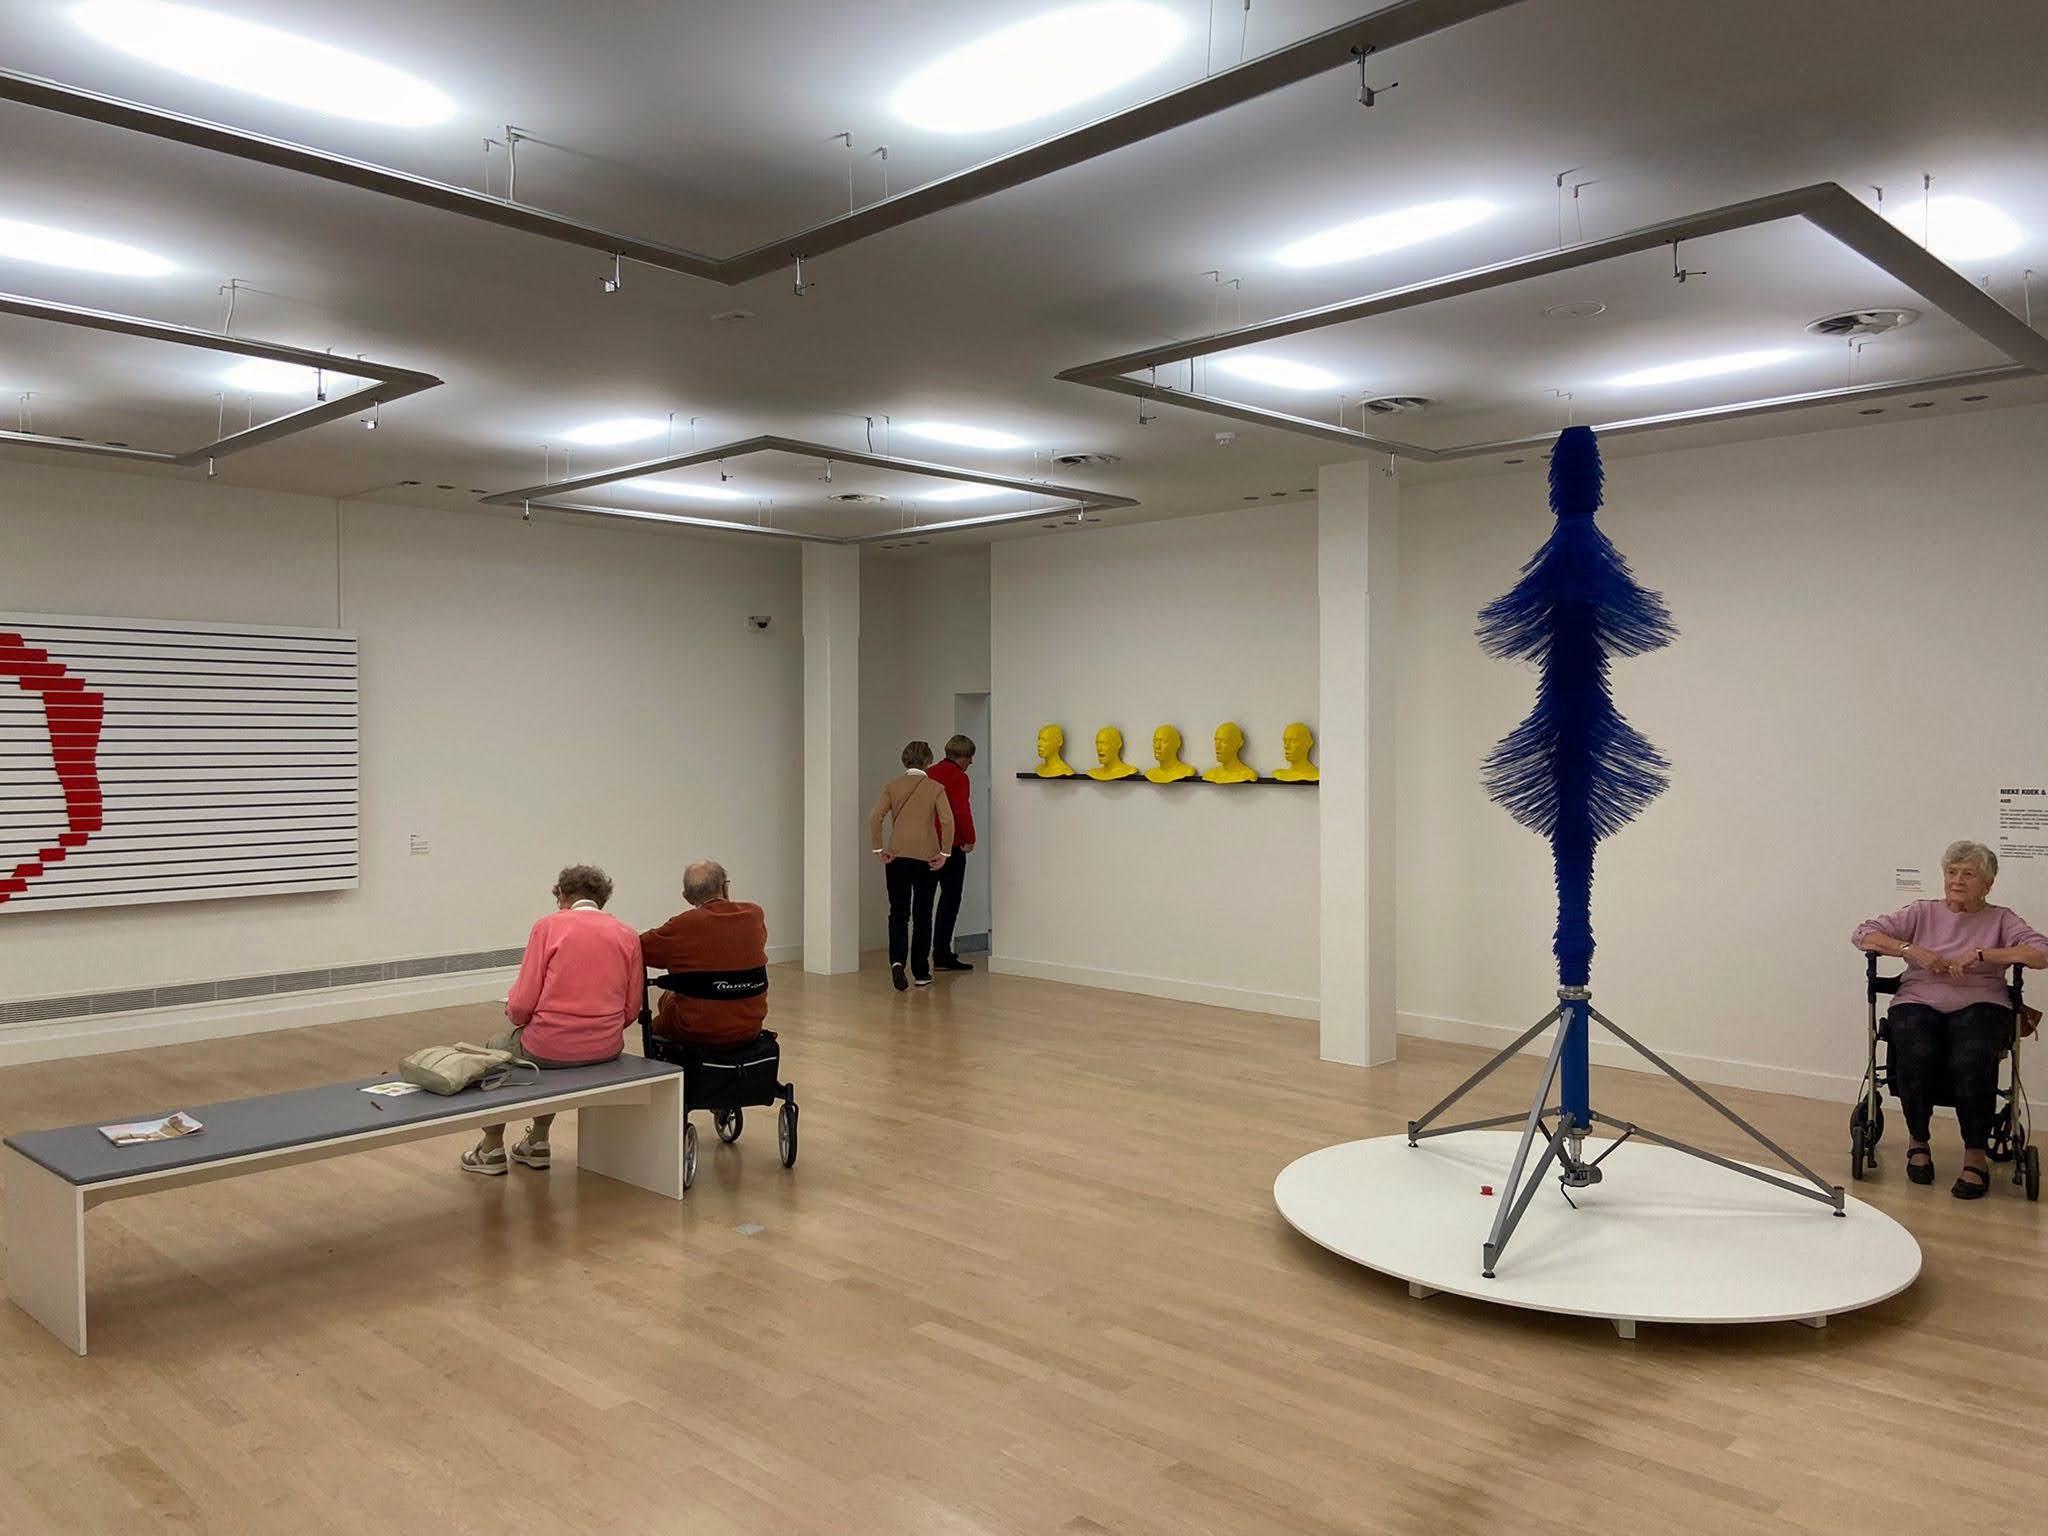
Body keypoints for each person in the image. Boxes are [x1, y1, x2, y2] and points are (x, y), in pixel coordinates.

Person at [1852, 840, 2047, 1199]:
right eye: (1952, 872)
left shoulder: (2001, 919)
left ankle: (1975, 1155)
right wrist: (1912, 950)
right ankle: (1918, 1142)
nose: (1957, 880)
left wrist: (1982, 954)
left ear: (1988, 884)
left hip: (1982, 1002)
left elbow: (2040, 953)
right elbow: (1864, 934)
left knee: (1971, 1058)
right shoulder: (1921, 912)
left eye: (1968, 874)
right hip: (1917, 998)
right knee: (1915, 1051)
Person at [463, 864, 643, 1176]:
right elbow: (631, 1009)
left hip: (548, 1046)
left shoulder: (548, 926)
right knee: (556, 1061)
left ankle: (491, 1148)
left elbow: (521, 1006)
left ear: (562, 895)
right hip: (606, 1047)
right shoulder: (627, 935)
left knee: (495, 1050)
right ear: (602, 898)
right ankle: (537, 1140)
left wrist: (517, 1014)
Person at [639, 860, 770, 1045]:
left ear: (687, 897)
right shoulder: (754, 915)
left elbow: (639, 949)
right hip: (750, 1027)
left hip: (697, 1030)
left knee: (666, 1001)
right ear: (725, 888)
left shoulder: (682, 925)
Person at [870, 739, 953, 990]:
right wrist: (945, 853)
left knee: (898, 912)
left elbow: (876, 815)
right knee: (922, 914)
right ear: (928, 761)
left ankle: (897, 962)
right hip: (927, 857)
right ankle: (920, 971)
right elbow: (947, 821)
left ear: (904, 760)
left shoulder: (892, 786)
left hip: (896, 856)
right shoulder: (936, 788)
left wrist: (878, 848)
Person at [927, 735, 978, 973]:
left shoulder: (929, 773)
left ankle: (921, 957)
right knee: (950, 899)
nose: (971, 763)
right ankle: (941, 953)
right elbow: (960, 811)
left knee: (925, 901)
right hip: (950, 846)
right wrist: (970, 838)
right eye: (970, 758)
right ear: (963, 757)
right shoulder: (959, 777)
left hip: (925, 844)